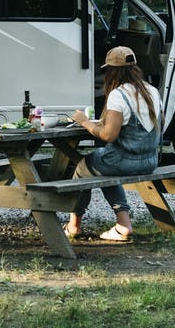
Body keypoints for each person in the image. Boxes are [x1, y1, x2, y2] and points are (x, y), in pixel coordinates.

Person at [63, 45, 162, 242]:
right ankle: (122, 223)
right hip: (150, 161)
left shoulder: (119, 94)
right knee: (103, 169)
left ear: (112, 71)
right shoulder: (151, 90)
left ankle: (74, 224)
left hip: (125, 161)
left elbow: (108, 136)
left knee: (84, 167)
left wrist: (84, 122)